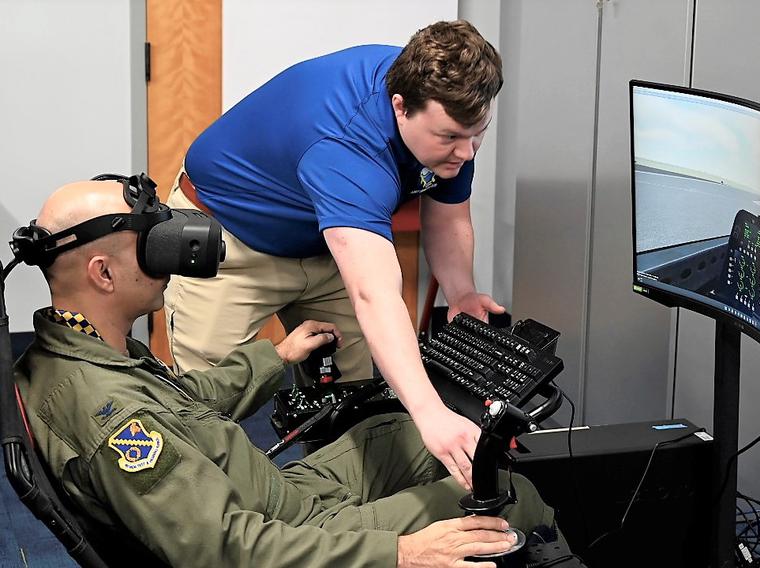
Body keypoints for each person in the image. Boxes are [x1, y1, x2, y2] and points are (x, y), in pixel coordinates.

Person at [13, 179, 555, 567]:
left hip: (265, 490)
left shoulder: (80, 348)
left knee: (417, 432)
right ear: (103, 273)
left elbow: (183, 398)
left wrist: (278, 355)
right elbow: (228, 550)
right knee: (511, 494)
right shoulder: (111, 415)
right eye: (151, 244)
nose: (171, 254)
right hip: (284, 534)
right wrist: (404, 553)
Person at [164, 20, 504, 491]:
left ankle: (331, 515)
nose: (466, 152)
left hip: (323, 242)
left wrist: (462, 293)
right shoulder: (347, 146)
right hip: (231, 238)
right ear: (399, 107)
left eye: (478, 134)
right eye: (450, 137)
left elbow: (446, 216)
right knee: (207, 411)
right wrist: (430, 414)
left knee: (351, 396)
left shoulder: (448, 102)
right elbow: (375, 295)